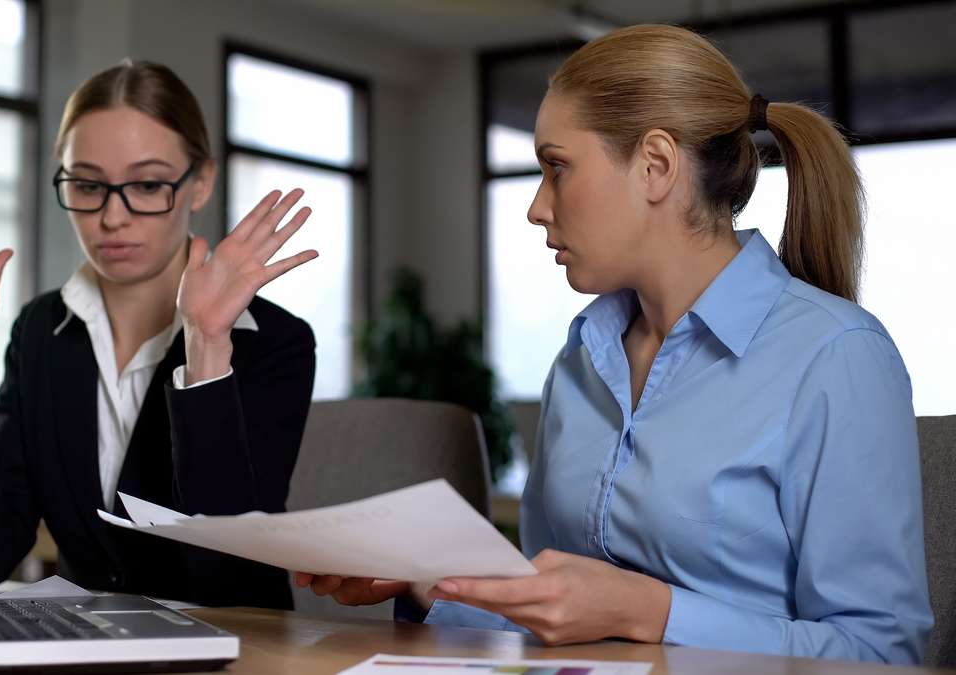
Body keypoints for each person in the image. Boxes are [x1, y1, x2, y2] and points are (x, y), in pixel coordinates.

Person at [296, 24, 933, 664]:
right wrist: (430, 586)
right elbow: (553, 612)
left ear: (655, 166)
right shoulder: (580, 361)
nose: (537, 207)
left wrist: (648, 611)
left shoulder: (836, 355)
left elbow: (881, 654)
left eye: (557, 168)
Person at [0, 60, 318, 610]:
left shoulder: (273, 341)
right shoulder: (40, 331)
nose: (112, 217)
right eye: (87, 184)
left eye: (148, 184)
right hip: (83, 649)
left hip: (236, 652)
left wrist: (206, 344)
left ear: (199, 183)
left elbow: (227, 579)